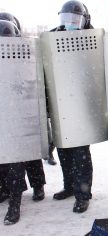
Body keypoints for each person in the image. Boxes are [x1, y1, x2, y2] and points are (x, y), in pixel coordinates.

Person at [48, 0, 93, 213]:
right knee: (64, 152)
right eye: (66, 19)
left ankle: (83, 194)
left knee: (80, 154)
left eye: (75, 20)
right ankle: (69, 186)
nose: (70, 24)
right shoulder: (54, 35)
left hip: (80, 107)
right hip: (61, 105)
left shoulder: (91, 38)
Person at [0, 12, 47, 202]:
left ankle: (37, 185)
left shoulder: (24, 50)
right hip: (6, 111)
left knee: (29, 152)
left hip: (22, 108)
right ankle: (6, 188)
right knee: (8, 153)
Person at [0, 20, 28, 225]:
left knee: (14, 163)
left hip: (15, 118)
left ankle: (15, 202)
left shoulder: (22, 56)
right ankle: (4, 192)